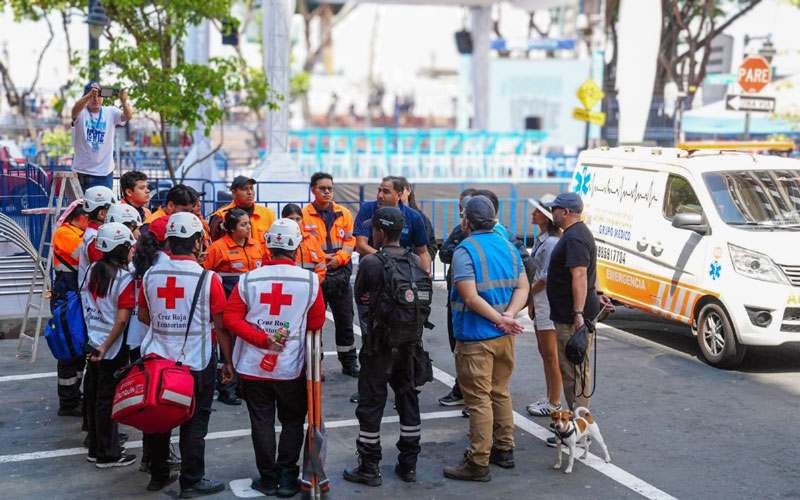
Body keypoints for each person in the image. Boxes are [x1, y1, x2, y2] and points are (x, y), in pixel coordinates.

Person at [223, 218, 326, 498]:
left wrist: (260, 338)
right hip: (292, 367)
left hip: (253, 367)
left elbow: (231, 318)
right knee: (293, 421)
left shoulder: (248, 279)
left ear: (268, 245)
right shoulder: (309, 281)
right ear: (297, 246)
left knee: (261, 422)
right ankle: (288, 477)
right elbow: (316, 324)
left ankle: (268, 479)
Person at [138, 212, 234, 496]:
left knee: (157, 419)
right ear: (196, 243)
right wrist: (227, 362)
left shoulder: (150, 275)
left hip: (157, 360)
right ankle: (191, 481)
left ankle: (158, 474)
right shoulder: (208, 279)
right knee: (195, 421)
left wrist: (168, 324)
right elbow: (221, 325)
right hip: (195, 362)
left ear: (168, 242)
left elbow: (144, 316)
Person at [443, 196, 528, 482]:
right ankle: (505, 449)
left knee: (478, 400)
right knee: (499, 392)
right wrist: (509, 316)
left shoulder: (465, 250)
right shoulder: (508, 245)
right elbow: (523, 285)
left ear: (466, 221)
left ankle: (478, 462)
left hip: (476, 338)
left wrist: (500, 319)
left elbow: (469, 296)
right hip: (504, 336)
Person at [343, 207, 428, 486]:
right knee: (408, 401)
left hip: (379, 346)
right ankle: (409, 465)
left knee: (371, 404)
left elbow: (361, 298)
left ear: (379, 232)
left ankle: (369, 467)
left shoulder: (371, 263)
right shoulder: (414, 259)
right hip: (411, 344)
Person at [543, 193, 612, 440]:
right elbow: (586, 275)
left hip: (572, 318)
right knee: (576, 372)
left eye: (555, 209)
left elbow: (580, 275)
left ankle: (577, 430)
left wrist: (579, 313)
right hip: (573, 314)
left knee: (575, 374)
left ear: (565, 212)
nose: (552, 213)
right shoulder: (577, 235)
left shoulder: (574, 237)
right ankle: (579, 427)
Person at [81, 222, 137, 468]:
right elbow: (122, 320)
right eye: (129, 247)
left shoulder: (92, 268)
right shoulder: (124, 279)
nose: (132, 250)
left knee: (94, 397)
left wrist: (97, 344)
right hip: (110, 347)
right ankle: (108, 454)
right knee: (106, 400)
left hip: (92, 341)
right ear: (121, 248)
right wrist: (106, 346)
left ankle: (95, 448)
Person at [204, 207, 264, 406]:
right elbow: (205, 275)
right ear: (230, 229)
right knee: (226, 346)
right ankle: (226, 388)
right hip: (228, 305)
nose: (248, 227)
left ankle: (243, 386)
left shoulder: (257, 246)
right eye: (243, 224)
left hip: (251, 305)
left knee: (246, 344)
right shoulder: (218, 248)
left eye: (249, 223)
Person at [301, 173, 359, 376]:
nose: (327, 192)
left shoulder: (344, 214)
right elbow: (304, 246)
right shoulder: (303, 215)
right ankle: (315, 364)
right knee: (315, 323)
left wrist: (339, 259)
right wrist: (323, 260)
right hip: (317, 278)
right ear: (313, 190)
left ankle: (349, 363)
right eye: (322, 188)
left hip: (341, 276)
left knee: (345, 321)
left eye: (330, 188)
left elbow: (350, 242)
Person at [436, 188, 476, 408]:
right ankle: (463, 389)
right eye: (461, 205)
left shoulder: (496, 235)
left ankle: (472, 394)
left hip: (477, 302)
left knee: (473, 350)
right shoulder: (459, 231)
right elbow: (444, 252)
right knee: (458, 347)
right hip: (456, 300)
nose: (462, 212)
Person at [525, 195, 563, 417]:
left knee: (550, 354)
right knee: (544, 352)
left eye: (537, 211)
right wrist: (531, 301)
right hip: (540, 301)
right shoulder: (542, 239)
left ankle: (555, 400)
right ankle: (550, 396)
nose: (533, 214)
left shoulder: (551, 243)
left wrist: (528, 295)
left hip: (547, 302)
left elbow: (545, 277)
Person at [52, 202, 90, 417]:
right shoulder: (65, 234)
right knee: (68, 350)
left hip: (72, 296)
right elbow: (84, 255)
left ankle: (74, 395)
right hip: (66, 298)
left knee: (77, 352)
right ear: (83, 217)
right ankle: (68, 402)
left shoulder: (73, 233)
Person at [353, 176, 431, 273]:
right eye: (379, 190)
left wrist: (426, 275)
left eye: (386, 192)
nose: (380, 195)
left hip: (402, 274)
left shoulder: (413, 216)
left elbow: (422, 252)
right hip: (372, 270)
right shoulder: (367, 209)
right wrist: (386, 258)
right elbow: (361, 245)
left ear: (399, 195)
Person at [70, 82, 133, 190]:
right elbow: (74, 111)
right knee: (82, 205)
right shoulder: (82, 112)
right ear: (86, 97)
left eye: (99, 96)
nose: (96, 99)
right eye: (93, 96)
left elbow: (128, 116)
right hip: (82, 172)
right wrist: (89, 95)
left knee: (105, 205)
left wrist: (123, 101)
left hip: (105, 173)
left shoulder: (110, 111)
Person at [208, 176, 276, 255]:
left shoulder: (268, 215)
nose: (250, 192)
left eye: (251, 188)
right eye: (244, 189)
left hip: (263, 265)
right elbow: (216, 247)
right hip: (235, 264)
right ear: (234, 193)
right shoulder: (221, 216)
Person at [77, 186, 116, 285]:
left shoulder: (95, 235)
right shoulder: (96, 239)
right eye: (112, 210)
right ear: (102, 214)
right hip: (94, 297)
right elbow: (105, 272)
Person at [280, 204, 326, 283]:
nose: (295, 222)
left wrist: (314, 283)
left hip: (310, 286)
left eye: (298, 219)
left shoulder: (311, 239)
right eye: (291, 219)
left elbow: (321, 264)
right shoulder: (278, 240)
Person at [395, 176, 438, 261]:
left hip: (412, 269)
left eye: (400, 190)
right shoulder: (384, 215)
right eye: (394, 190)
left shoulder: (419, 217)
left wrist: (419, 263)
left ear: (408, 190)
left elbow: (432, 245)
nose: (397, 194)